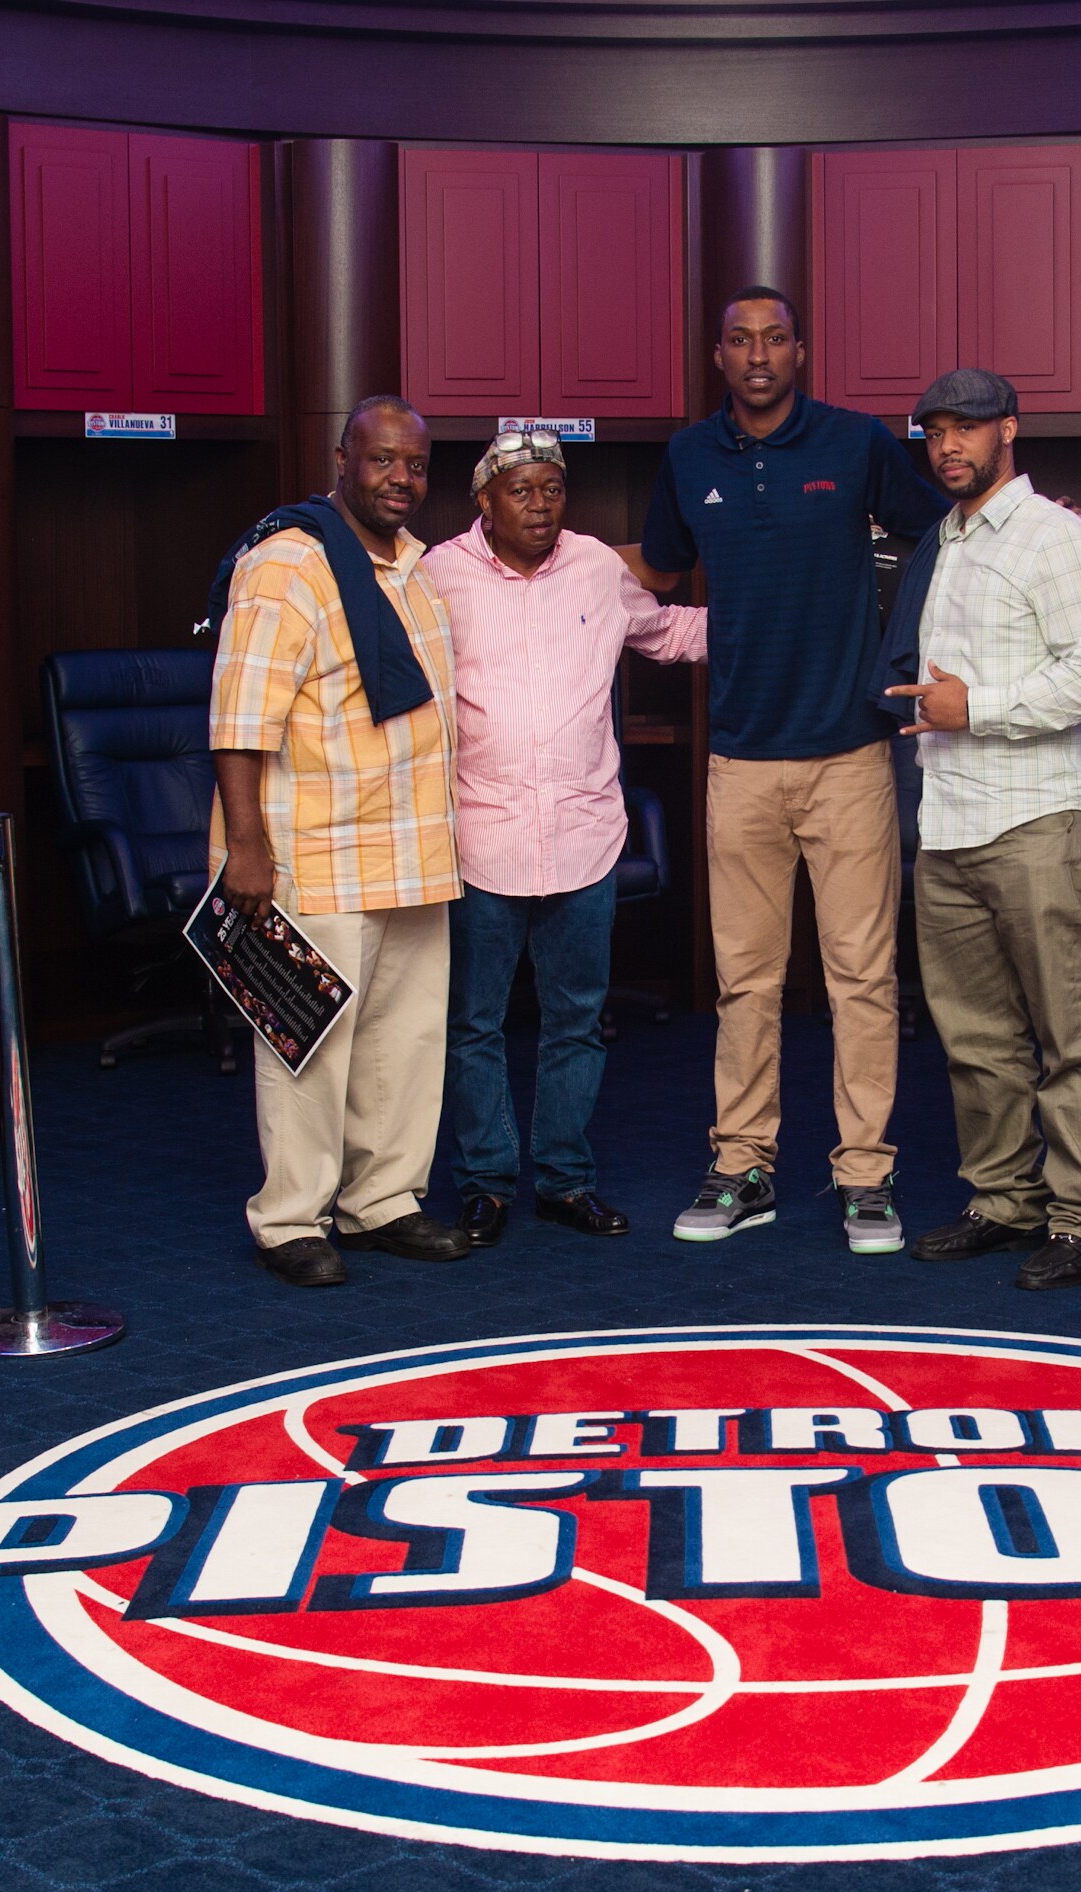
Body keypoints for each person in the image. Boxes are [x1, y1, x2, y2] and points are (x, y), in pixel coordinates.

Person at [622, 286, 951, 1255]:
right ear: (717, 355)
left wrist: (903, 657)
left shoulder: (855, 446)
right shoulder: (688, 457)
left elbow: (947, 534)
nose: (758, 354)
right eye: (740, 340)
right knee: (746, 982)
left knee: (862, 980)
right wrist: (545, 562)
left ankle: (864, 1178)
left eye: (775, 338)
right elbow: (663, 569)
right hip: (740, 762)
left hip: (850, 755)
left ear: (800, 351)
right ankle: (742, 1168)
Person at [208, 395, 471, 1288]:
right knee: (306, 1041)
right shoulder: (289, 564)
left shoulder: (413, 568)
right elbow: (241, 719)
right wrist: (247, 846)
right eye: (382, 461)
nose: (401, 479)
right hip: (314, 852)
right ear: (341, 460)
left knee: (405, 1041)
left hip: (411, 851)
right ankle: (290, 1219)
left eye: (416, 465)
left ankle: (383, 1201)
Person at [423, 426, 707, 1248]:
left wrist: (781, 625)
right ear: (485, 500)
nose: (542, 504)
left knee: (575, 1021)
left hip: (583, 837)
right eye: (523, 491)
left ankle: (564, 1180)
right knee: (474, 1025)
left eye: (553, 489)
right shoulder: (439, 574)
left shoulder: (594, 566)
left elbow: (672, 635)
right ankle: (484, 1185)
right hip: (481, 839)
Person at [883, 368, 1081, 1291]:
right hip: (948, 818)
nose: (950, 445)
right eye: (936, 431)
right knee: (976, 1037)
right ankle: (1004, 1199)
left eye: (969, 429)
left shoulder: (1054, 538)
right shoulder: (940, 541)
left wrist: (975, 707)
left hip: (1039, 815)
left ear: (1010, 431)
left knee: (1068, 1030)